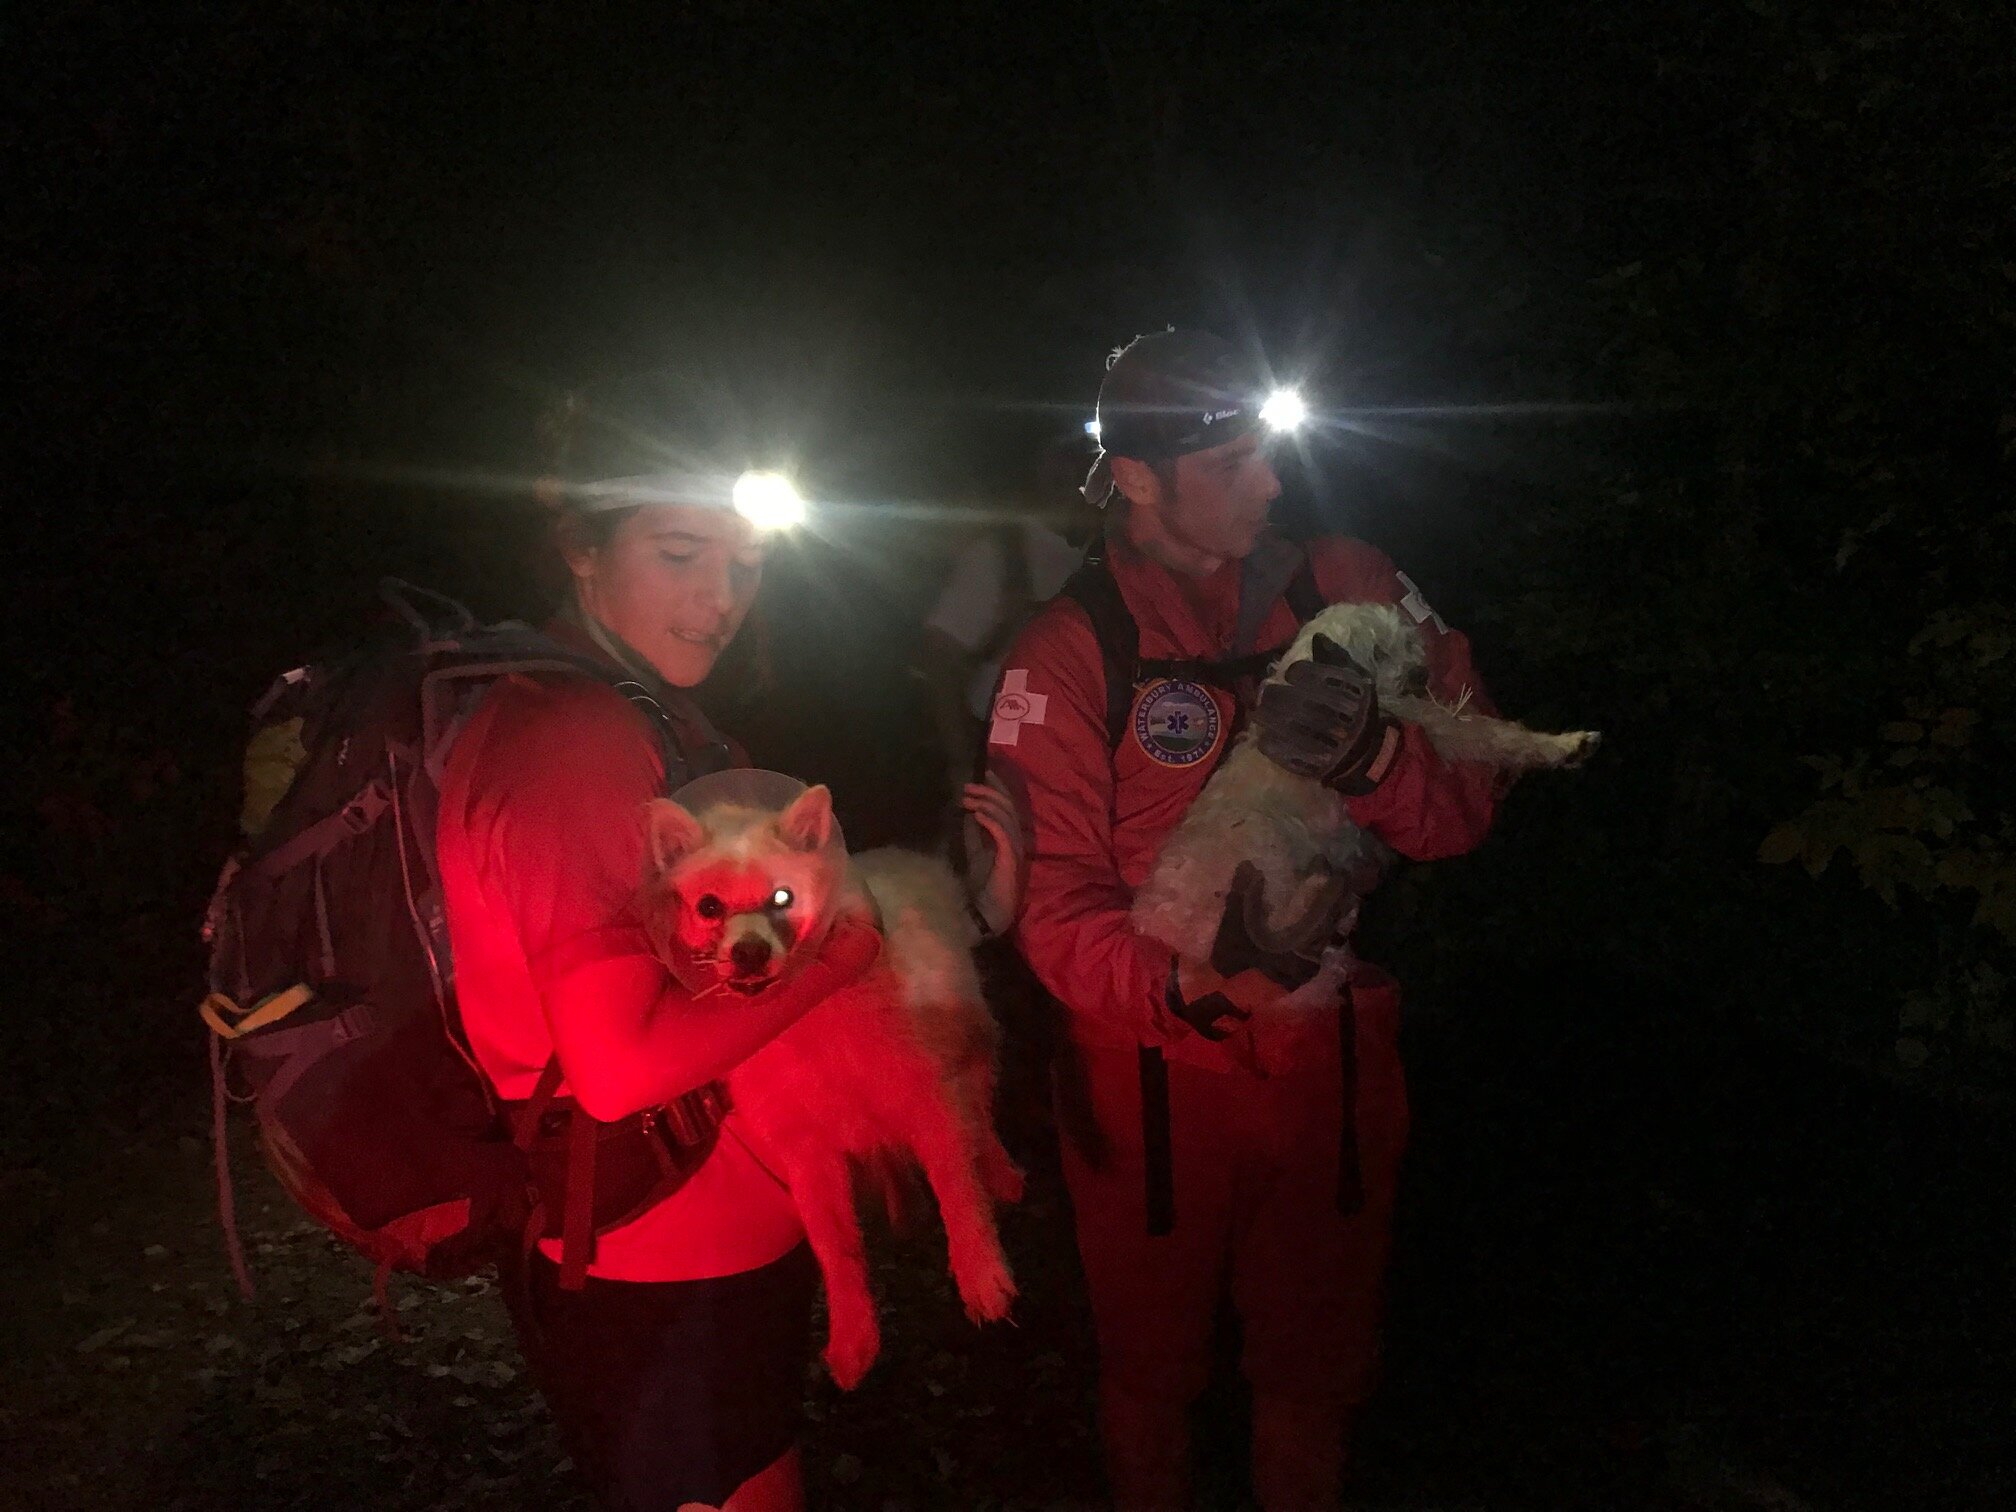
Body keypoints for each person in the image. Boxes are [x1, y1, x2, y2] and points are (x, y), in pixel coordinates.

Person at [433, 395, 1025, 1512]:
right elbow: (618, 1072)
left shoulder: (645, 714)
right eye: (680, 553)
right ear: (582, 547)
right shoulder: (573, 743)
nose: (720, 597)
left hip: (700, 1238)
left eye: (746, 564)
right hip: (658, 1259)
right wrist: (841, 958)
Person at [985, 331, 1504, 1511]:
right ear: (1137, 477)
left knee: (1315, 1370)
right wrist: (1193, 983)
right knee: (1152, 1371)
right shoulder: (1070, 651)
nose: (1272, 485)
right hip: (1151, 1072)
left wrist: (1379, 762)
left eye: (1270, 454)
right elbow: (1052, 904)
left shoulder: (1350, 583)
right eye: (1232, 463)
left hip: (1330, 1051)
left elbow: (1470, 800)